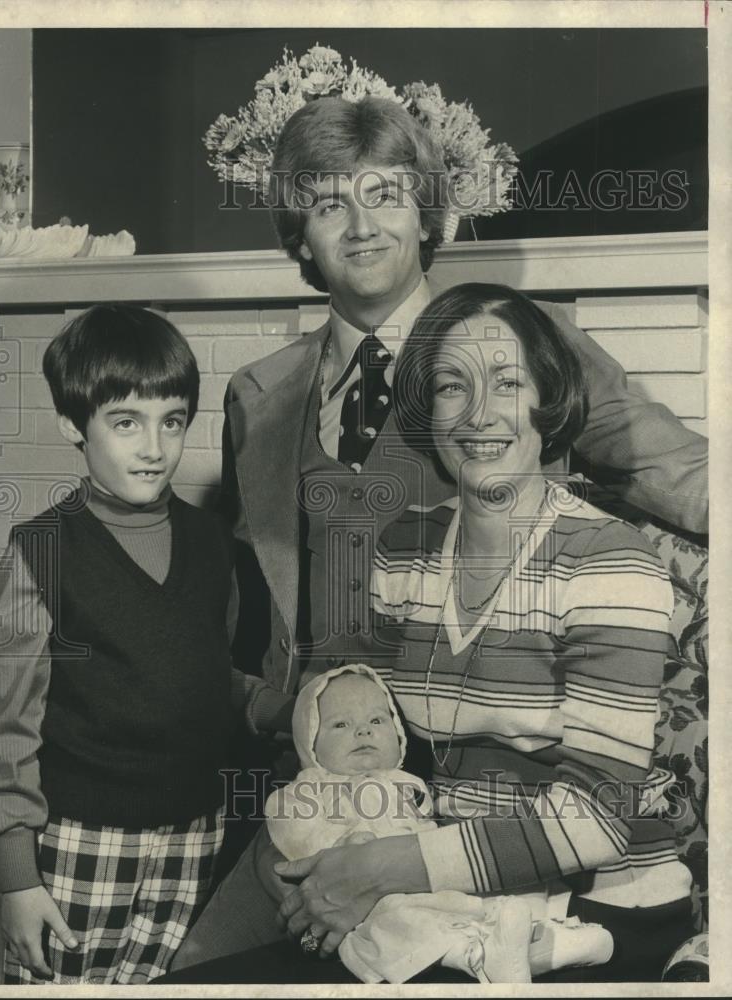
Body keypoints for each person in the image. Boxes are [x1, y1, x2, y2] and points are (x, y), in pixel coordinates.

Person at [171, 94, 707, 969]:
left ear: (426, 215)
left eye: (384, 193)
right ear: (298, 235)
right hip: (314, 785)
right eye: (327, 200)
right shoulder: (258, 396)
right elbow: (255, 608)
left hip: (476, 817)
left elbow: (677, 470)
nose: (360, 223)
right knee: (193, 976)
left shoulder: (523, 351)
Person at [273, 283, 696, 983]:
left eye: (506, 383)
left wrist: (382, 869)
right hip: (445, 898)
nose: (477, 416)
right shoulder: (403, 546)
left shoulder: (607, 561)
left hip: (601, 910)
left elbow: (594, 821)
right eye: (449, 386)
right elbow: (370, 737)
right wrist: (311, 860)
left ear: (546, 400)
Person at [0, 304, 280, 985]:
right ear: (71, 426)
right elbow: (7, 731)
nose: (154, 446)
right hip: (78, 842)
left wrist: (281, 707)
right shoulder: (43, 549)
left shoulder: (212, 545)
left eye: (171, 420)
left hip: (192, 838)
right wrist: (18, 877)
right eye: (125, 422)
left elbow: (208, 675)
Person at [266, 663, 615, 984]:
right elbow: (294, 836)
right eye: (341, 725)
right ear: (309, 742)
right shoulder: (306, 791)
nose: (363, 732)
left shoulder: (407, 784)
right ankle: (475, 955)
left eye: (377, 721)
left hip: (418, 874)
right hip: (360, 896)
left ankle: (541, 943)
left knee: (485, 895)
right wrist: (339, 843)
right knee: (397, 922)